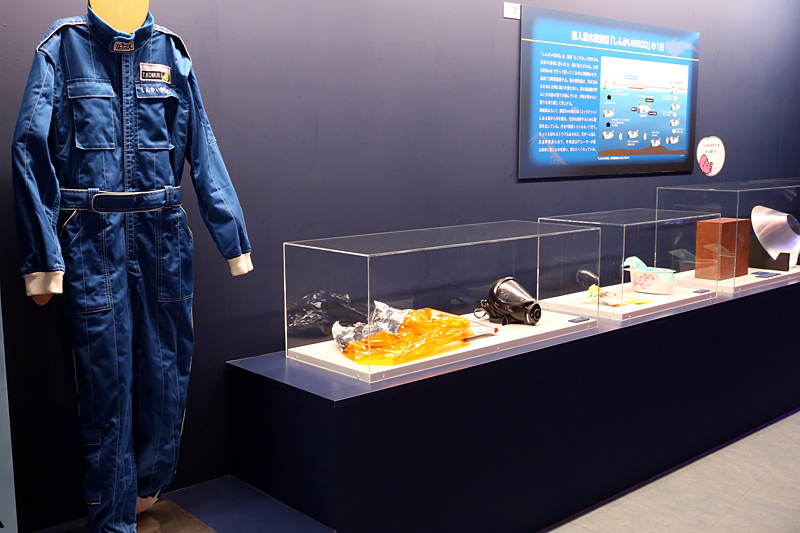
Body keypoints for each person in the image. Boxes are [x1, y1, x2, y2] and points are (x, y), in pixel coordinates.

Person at [11, 4, 252, 531]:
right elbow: (29, 149)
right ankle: (112, 520)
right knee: (106, 382)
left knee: (169, 373)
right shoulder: (61, 47)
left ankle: (146, 487)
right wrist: (44, 259)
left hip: (162, 235)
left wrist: (232, 238)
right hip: (91, 238)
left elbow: (201, 144)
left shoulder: (171, 51)